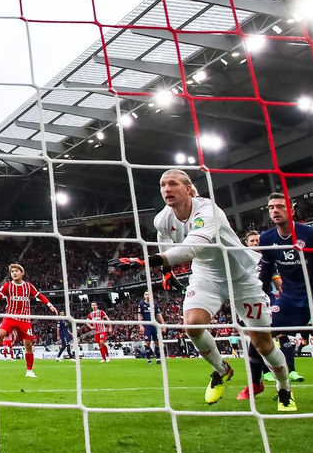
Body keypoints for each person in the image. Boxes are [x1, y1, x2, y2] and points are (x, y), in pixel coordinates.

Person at [111, 169, 295, 410]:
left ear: (188, 188)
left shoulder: (208, 210)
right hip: (206, 276)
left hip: (241, 277)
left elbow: (191, 248)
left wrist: (146, 262)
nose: (167, 189)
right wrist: (167, 272)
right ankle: (221, 370)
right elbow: (163, 238)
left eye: (173, 184)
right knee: (192, 324)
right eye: (163, 185)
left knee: (263, 345)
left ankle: (284, 388)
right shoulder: (163, 218)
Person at [239, 193, 313, 400]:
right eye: (271, 207)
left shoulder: (311, 235)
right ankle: (255, 383)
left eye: (280, 206)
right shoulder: (266, 238)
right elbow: (264, 274)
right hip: (290, 298)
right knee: (258, 333)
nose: (275, 211)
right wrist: (255, 301)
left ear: (291, 210)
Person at [0, 264, 57, 378]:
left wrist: (50, 305)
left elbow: (40, 296)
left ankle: (29, 371)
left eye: (16, 271)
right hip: (10, 316)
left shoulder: (28, 286)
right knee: (0, 334)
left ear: (22, 273)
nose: (14, 273)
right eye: (12, 271)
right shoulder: (7, 285)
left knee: (28, 345)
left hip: (24, 319)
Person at [138, 291, 165, 364]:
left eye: (148, 294)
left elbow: (159, 315)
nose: (147, 295)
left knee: (157, 342)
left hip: (154, 325)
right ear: (144, 296)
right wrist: (140, 325)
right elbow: (139, 315)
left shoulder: (154, 304)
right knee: (147, 343)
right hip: (147, 325)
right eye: (146, 294)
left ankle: (158, 358)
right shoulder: (141, 304)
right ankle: (149, 358)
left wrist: (163, 325)